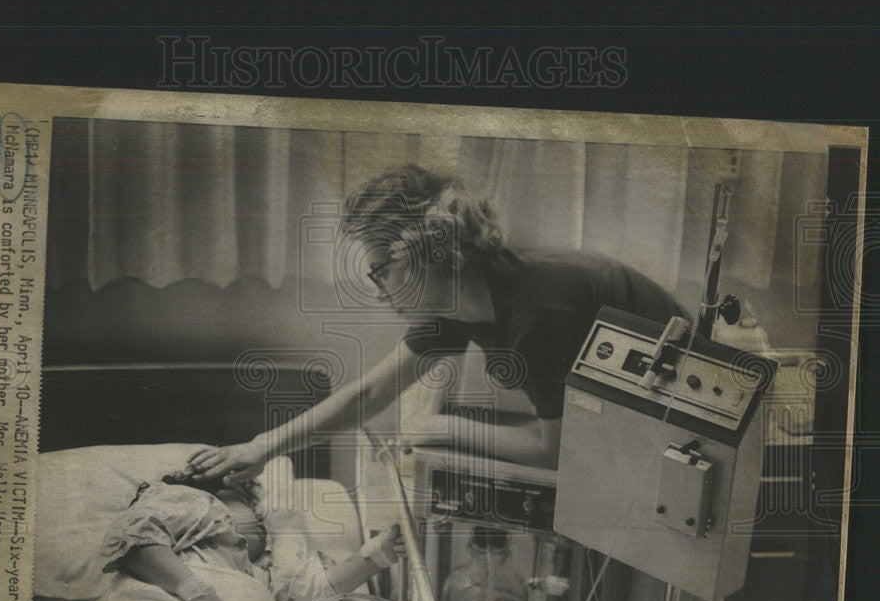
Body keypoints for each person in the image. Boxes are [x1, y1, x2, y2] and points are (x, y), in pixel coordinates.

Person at [186, 164, 686, 485]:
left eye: (383, 268)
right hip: (629, 417)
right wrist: (258, 447)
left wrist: (438, 426)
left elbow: (551, 449)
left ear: (430, 250)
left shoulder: (534, 313)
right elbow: (369, 394)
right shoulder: (462, 294)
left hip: (675, 426)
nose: (378, 287)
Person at [101, 476, 404, 601]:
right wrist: (198, 594)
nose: (260, 514)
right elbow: (134, 540)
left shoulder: (252, 568)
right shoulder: (188, 499)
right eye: (250, 502)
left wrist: (378, 556)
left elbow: (309, 590)